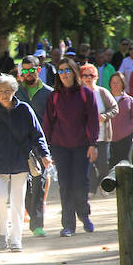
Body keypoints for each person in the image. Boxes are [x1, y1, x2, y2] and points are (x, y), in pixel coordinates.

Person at [0, 74, 51, 251]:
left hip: (20, 162)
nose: (4, 94)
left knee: (17, 201)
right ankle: (3, 232)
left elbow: (37, 134)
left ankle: (15, 239)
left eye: (7, 90)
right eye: (0, 91)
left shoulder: (25, 109)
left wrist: (44, 154)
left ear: (14, 91)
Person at [42, 57, 99, 237]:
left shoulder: (85, 94)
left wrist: (93, 144)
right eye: (60, 71)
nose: (64, 75)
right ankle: (68, 225)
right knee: (65, 185)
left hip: (82, 146)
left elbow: (93, 121)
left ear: (74, 73)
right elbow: (48, 123)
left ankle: (84, 215)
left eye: (67, 70)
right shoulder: (54, 96)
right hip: (60, 147)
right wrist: (47, 149)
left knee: (80, 183)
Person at [15, 55, 54, 237]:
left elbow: (55, 120)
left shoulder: (49, 93)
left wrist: (50, 146)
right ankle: (30, 213)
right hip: (19, 145)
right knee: (23, 184)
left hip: (41, 145)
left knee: (39, 184)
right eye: (25, 70)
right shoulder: (15, 92)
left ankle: (37, 224)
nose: (28, 74)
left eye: (31, 70)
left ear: (39, 70)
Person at [79, 64, 119, 196]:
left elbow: (115, 108)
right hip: (85, 137)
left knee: (103, 164)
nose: (88, 78)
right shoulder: (78, 94)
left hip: (103, 135)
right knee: (88, 165)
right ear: (81, 78)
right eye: (85, 75)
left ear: (96, 77)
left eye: (91, 75)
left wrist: (104, 116)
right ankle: (91, 189)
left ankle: (101, 185)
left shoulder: (102, 92)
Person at [108, 72, 133, 166]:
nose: (115, 84)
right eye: (113, 82)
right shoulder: (105, 99)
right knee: (111, 162)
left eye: (118, 82)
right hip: (108, 137)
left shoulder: (129, 100)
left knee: (123, 161)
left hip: (125, 136)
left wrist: (129, 129)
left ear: (123, 83)